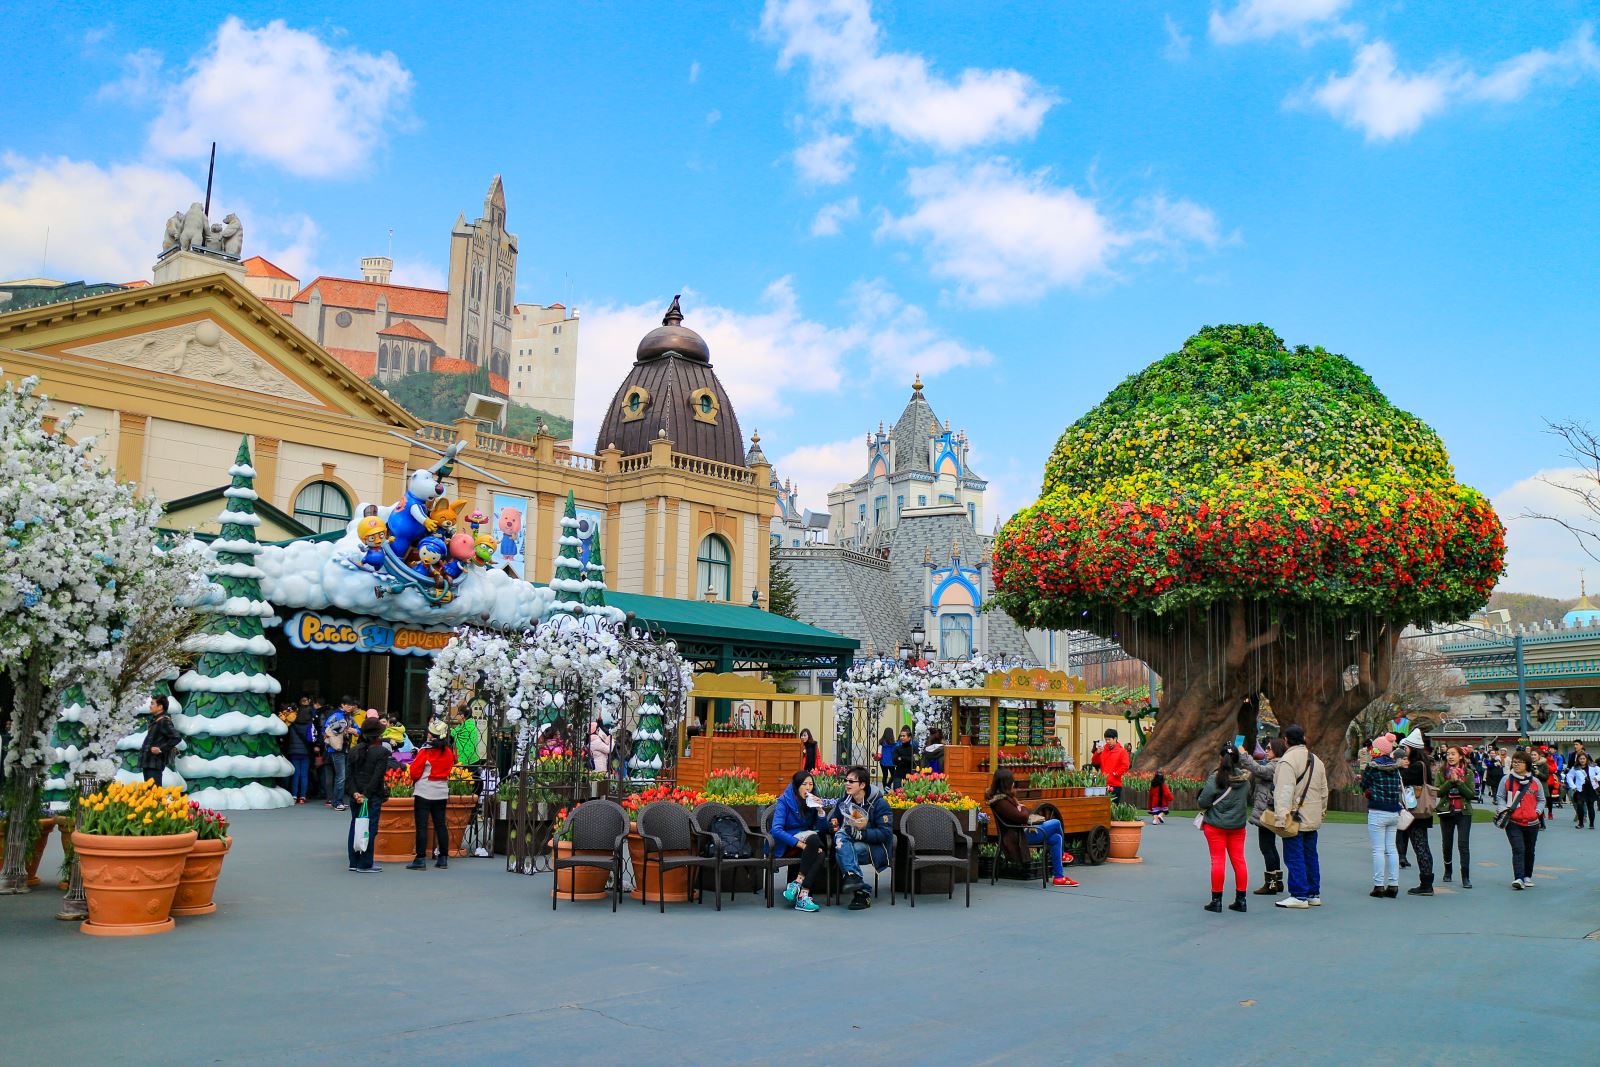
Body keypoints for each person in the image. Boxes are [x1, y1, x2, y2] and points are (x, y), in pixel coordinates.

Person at [987, 768, 1077, 887]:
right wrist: (1021, 808)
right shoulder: (1001, 802)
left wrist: (1021, 809)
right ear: (1006, 783)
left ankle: (1059, 877)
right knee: (1056, 823)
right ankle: (1061, 856)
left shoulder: (1003, 799)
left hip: (1021, 832)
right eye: (1011, 781)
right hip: (1018, 837)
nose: (1013, 783)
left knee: (1056, 838)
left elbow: (1024, 813)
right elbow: (1023, 816)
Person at [1272, 724, 1329, 909]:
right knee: (1311, 855)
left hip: (1295, 816)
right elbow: (1324, 791)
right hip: (1312, 815)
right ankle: (1313, 893)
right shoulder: (1316, 760)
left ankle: (1299, 894)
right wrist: (1321, 811)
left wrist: (1281, 818)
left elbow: (1284, 790)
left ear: (1286, 740)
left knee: (1294, 855)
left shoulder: (1288, 760)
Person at [1196, 745, 1252, 913]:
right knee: (1239, 860)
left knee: (1218, 860)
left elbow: (1203, 802)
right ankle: (1241, 900)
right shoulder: (1245, 780)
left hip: (1216, 825)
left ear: (1221, 758)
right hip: (1237, 825)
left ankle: (1216, 900)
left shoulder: (1215, 778)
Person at [830, 765, 894, 909]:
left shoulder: (879, 803)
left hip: (874, 846)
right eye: (846, 780)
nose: (847, 783)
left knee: (843, 848)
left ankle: (855, 881)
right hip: (848, 841)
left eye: (851, 781)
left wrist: (862, 832)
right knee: (842, 839)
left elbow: (886, 833)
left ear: (863, 785)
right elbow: (834, 821)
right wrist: (831, 824)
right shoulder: (844, 802)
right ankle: (860, 889)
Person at [770, 769, 828, 912]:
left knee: (819, 851)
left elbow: (821, 829)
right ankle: (801, 891)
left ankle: (801, 890)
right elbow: (776, 830)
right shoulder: (784, 802)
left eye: (810, 784)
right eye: (804, 784)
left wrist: (820, 811)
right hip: (787, 843)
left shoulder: (810, 802)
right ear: (796, 786)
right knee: (815, 842)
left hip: (808, 840)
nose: (808, 788)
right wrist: (801, 844)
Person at [1238, 738, 1287, 896]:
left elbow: (1260, 770)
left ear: (1277, 750)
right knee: (1270, 846)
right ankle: (1277, 881)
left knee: (1266, 847)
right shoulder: (1278, 764)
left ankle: (1271, 883)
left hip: (1267, 810)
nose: (1266, 751)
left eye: (1269, 748)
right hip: (1270, 808)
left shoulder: (1275, 765)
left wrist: (1244, 756)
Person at [406, 720, 456, 870]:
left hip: (424, 791)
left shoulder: (425, 751)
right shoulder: (448, 751)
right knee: (440, 824)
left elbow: (414, 772)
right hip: (441, 792)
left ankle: (420, 859)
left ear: (431, 735)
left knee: (422, 826)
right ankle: (443, 858)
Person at [1362, 733, 1404, 898]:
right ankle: (1393, 885)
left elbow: (1363, 784)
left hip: (1377, 810)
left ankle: (1379, 885)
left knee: (1378, 850)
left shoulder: (1372, 767)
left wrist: (1370, 790)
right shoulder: (1395, 766)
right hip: (1393, 811)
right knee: (1391, 849)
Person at [1496, 750, 1546, 889]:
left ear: (1527, 764)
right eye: (1515, 762)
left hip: (1532, 822)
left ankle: (1527, 876)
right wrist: (1503, 809)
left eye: (1520, 762)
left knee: (1530, 850)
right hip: (1513, 821)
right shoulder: (1506, 779)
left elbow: (1541, 799)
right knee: (1518, 849)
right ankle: (1518, 877)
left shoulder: (1535, 782)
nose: (1516, 764)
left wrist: (1537, 812)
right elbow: (1500, 796)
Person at [346, 719, 389, 873]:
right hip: (372, 796)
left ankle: (353, 861)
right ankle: (365, 863)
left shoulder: (353, 750)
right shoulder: (382, 752)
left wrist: (355, 793)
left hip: (355, 794)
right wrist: (366, 794)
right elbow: (377, 776)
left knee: (355, 825)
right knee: (369, 827)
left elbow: (349, 776)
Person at [1398, 729, 1436, 896]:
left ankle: (1426, 883)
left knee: (1420, 846)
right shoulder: (1423, 764)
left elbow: (1401, 778)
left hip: (1416, 811)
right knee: (1423, 846)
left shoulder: (1416, 767)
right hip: (1422, 811)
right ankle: (1426, 881)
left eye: (1406, 747)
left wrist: (1399, 764)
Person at [1436, 745, 1474, 888]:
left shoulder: (1469, 773)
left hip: (1463, 812)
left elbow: (1471, 794)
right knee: (1447, 844)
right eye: (1448, 754)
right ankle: (1448, 871)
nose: (1450, 757)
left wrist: (1458, 781)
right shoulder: (1441, 772)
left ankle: (1465, 876)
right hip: (1446, 811)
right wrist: (1450, 781)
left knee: (1463, 845)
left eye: (1453, 754)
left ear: (1460, 756)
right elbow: (1438, 792)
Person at [138, 694, 180, 785]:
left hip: (155, 764)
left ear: (160, 707)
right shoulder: (157, 720)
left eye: (152, 703)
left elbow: (176, 737)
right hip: (149, 763)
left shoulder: (164, 721)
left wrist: (160, 749)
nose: (150, 706)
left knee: (154, 794)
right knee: (151, 794)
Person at [322, 701, 352, 811]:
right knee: (341, 776)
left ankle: (337, 801)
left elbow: (358, 729)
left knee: (341, 776)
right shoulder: (338, 716)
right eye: (348, 704)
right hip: (337, 749)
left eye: (352, 705)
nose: (351, 707)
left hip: (341, 748)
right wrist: (342, 729)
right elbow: (326, 730)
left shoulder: (348, 717)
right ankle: (337, 801)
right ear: (343, 705)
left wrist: (353, 730)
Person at [282, 705, 312, 803]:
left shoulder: (292, 724)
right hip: (306, 752)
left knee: (296, 774)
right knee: (304, 775)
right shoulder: (310, 725)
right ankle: (302, 797)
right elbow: (312, 739)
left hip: (294, 752)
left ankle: (294, 795)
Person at [1565, 750, 1598, 829]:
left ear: (1586, 759)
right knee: (1580, 805)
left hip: (1591, 788)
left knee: (1590, 806)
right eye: (1580, 759)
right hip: (1580, 789)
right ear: (1578, 760)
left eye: (1583, 758)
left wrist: (1596, 777)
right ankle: (1580, 823)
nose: (1582, 760)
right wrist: (1573, 786)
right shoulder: (1575, 768)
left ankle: (1592, 824)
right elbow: (1569, 776)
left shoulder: (1593, 766)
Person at [1099, 729, 1131, 802]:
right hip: (1103, 784)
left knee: (1113, 807)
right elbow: (1095, 762)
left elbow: (1125, 765)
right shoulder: (1103, 750)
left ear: (1115, 739)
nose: (1107, 741)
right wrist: (1097, 753)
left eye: (1109, 739)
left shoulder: (1122, 751)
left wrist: (1116, 773)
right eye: (1106, 739)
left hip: (1115, 784)